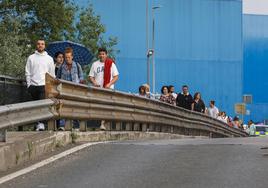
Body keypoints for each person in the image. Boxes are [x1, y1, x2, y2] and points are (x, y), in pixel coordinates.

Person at [25, 39, 55, 131]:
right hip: (33, 85)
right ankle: (37, 123)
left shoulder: (49, 58)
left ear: (44, 46)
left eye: (42, 44)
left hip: (43, 85)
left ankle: (41, 124)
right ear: (36, 45)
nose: (40, 45)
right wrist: (29, 85)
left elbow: (52, 74)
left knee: (41, 105)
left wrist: (50, 87)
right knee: (34, 106)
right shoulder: (31, 57)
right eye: (38, 44)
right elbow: (27, 72)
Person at [89, 48, 119, 130]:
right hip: (98, 89)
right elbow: (91, 76)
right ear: (98, 55)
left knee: (105, 106)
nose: (102, 55)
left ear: (106, 55)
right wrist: (94, 82)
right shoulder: (95, 64)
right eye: (100, 54)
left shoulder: (111, 64)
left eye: (103, 54)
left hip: (108, 89)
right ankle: (99, 124)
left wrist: (109, 84)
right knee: (98, 106)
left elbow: (116, 76)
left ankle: (102, 124)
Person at [57, 47, 84, 131]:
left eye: (69, 57)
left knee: (74, 107)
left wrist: (79, 82)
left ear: (72, 57)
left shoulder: (77, 65)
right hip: (64, 89)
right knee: (62, 106)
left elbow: (81, 77)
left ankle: (76, 126)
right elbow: (57, 77)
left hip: (74, 90)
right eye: (66, 57)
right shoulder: (62, 66)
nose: (67, 59)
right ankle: (62, 125)